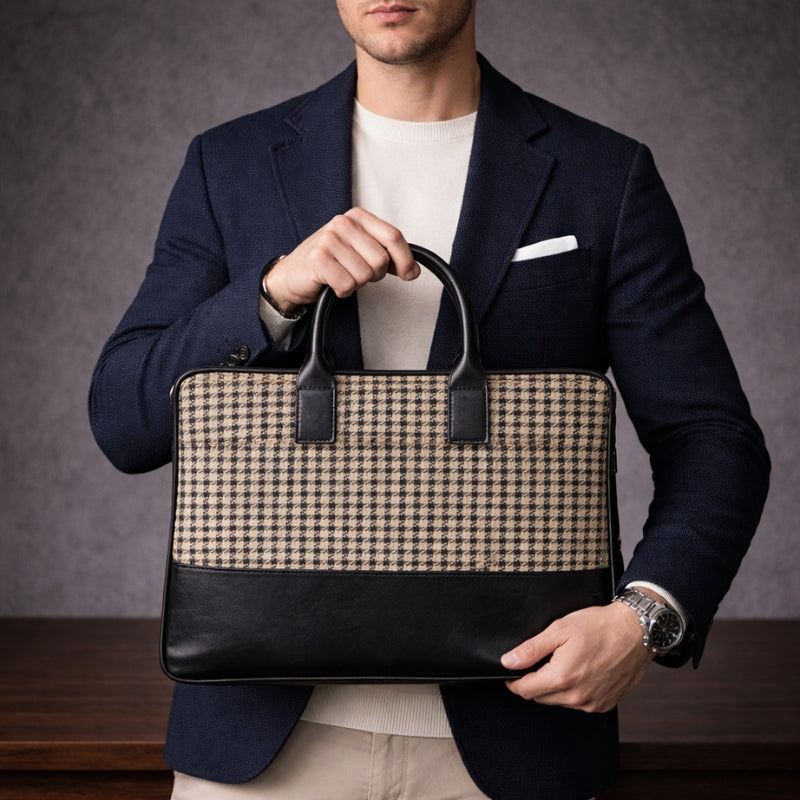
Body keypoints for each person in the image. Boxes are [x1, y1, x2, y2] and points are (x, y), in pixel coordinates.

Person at [88, 2, 770, 798]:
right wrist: (271, 295)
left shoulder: (602, 175)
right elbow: (122, 420)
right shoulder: (229, 164)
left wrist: (644, 616)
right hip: (258, 751)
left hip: (521, 740)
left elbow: (713, 436)